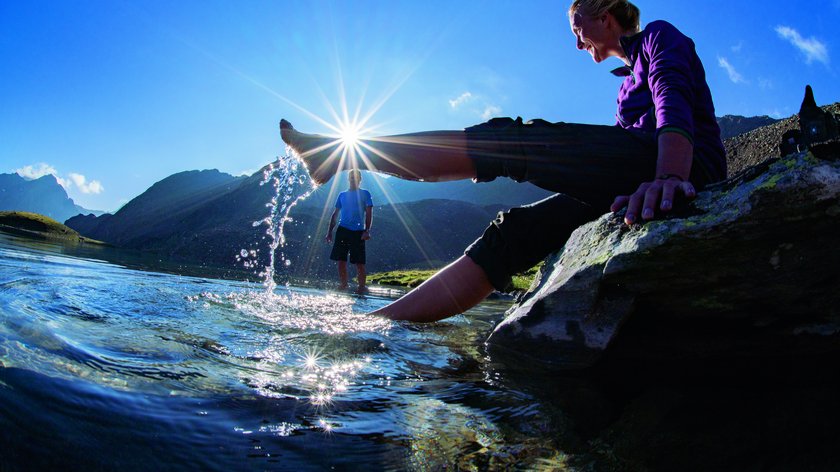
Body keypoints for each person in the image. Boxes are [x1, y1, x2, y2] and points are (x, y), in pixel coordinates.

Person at [280, 0, 726, 322]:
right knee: (513, 230)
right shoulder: (625, 84)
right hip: (642, 172)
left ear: (604, 17)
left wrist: (670, 174)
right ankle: (377, 324)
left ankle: (339, 154)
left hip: (682, 168)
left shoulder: (658, 36)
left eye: (578, 30)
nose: (577, 44)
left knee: (514, 142)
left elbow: (672, 96)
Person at [326, 169, 373, 294]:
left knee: (359, 262)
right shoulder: (342, 195)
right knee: (341, 261)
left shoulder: (365, 194)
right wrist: (329, 232)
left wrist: (367, 230)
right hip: (342, 230)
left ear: (360, 179)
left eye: (356, 177)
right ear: (348, 179)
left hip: (358, 232)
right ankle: (343, 285)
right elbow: (335, 214)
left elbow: (369, 213)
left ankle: (361, 287)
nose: (353, 179)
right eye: (351, 177)